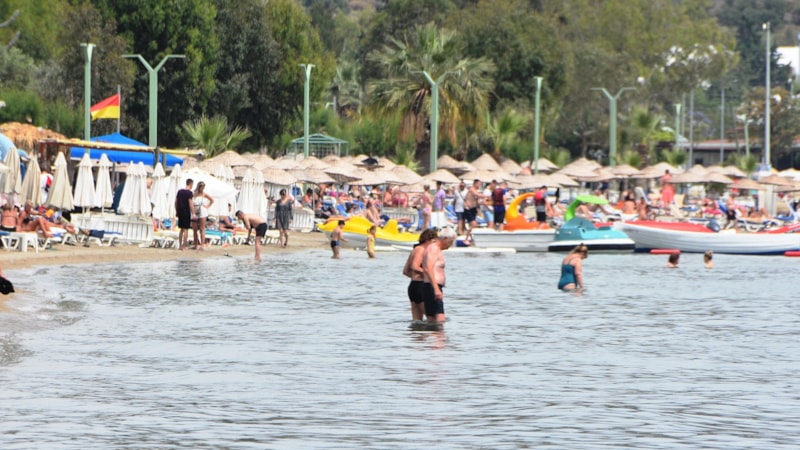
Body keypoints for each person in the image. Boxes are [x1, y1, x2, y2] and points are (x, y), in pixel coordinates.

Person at [422, 227, 456, 323]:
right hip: (432, 287)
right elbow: (428, 268)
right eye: (450, 242)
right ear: (444, 238)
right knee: (440, 321)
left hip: (432, 287)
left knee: (433, 321)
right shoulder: (434, 249)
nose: (450, 245)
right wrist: (436, 289)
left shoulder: (436, 249)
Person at [402, 228, 437, 321]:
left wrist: (415, 277)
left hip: (413, 286)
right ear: (427, 240)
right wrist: (429, 274)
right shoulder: (421, 249)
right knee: (433, 319)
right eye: (434, 242)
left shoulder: (415, 249)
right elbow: (415, 266)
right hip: (420, 287)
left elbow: (405, 271)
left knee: (417, 321)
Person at [191, 181, 214, 250]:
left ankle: (202, 245)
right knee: (194, 229)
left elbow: (212, 200)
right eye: (201, 187)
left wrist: (207, 206)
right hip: (195, 209)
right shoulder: (194, 193)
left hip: (202, 210)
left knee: (202, 228)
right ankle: (195, 244)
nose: (202, 189)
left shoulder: (204, 194)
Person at [175, 178, 194, 251]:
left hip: (180, 211)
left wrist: (176, 211)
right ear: (191, 184)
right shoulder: (189, 193)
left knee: (181, 229)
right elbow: (190, 203)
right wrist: (193, 213)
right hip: (186, 211)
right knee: (186, 229)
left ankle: (180, 245)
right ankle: (184, 246)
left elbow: (176, 202)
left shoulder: (179, 191)